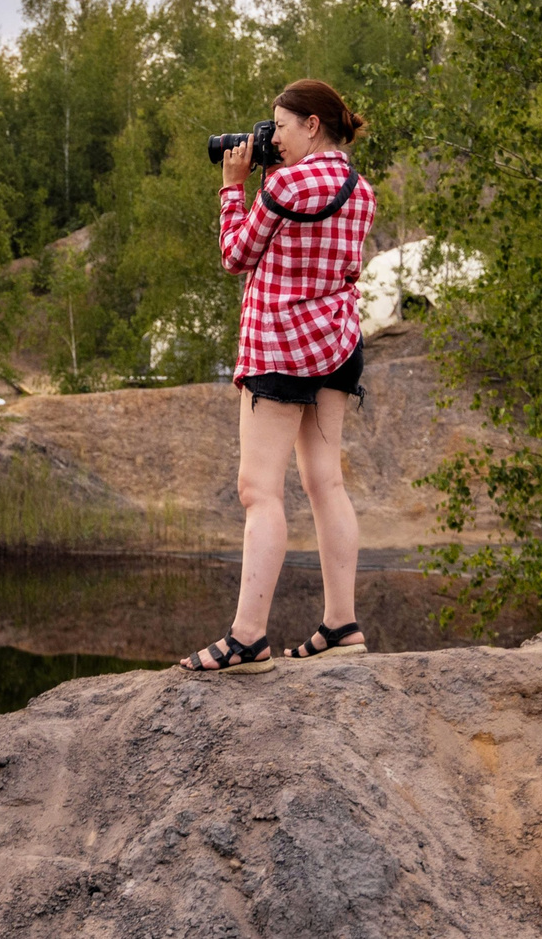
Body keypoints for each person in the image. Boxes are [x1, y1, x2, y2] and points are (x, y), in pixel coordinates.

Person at [180, 78, 378, 675]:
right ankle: (342, 625)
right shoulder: (361, 189)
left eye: (280, 127)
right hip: (337, 343)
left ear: (312, 125)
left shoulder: (286, 184)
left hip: (280, 349)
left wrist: (232, 188)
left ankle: (248, 639)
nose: (273, 140)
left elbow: (236, 254)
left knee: (258, 490)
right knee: (327, 485)